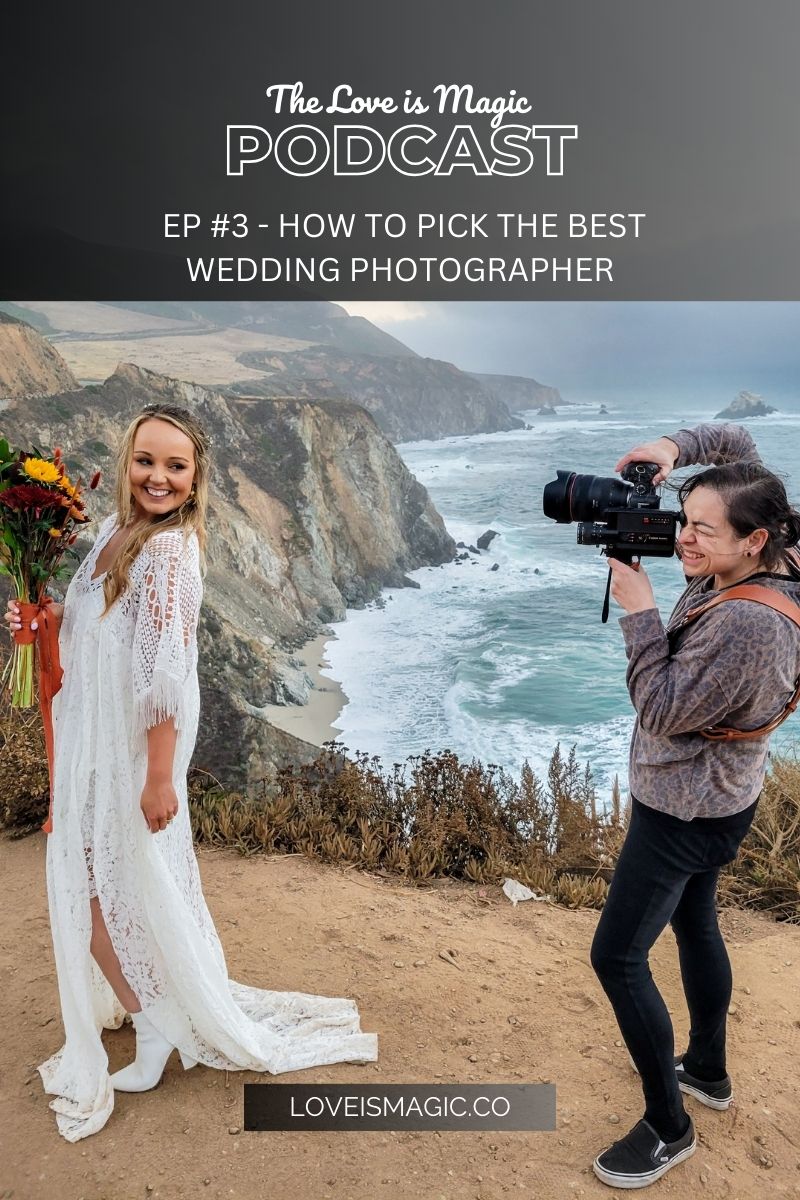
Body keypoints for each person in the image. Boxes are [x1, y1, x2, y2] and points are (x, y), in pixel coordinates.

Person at [5, 404, 377, 1143]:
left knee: (104, 892)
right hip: (95, 741)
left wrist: (161, 778)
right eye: (147, 461)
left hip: (133, 754)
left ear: (196, 476)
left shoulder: (170, 554)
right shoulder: (113, 535)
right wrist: (34, 622)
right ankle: (149, 1006)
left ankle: (154, 1028)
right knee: (100, 886)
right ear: (126, 462)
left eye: (176, 466)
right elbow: (84, 632)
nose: (159, 477)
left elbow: (166, 677)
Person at [588, 422, 800, 1189]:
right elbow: (737, 438)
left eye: (701, 531)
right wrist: (676, 450)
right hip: (723, 796)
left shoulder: (748, 622)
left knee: (615, 957)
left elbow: (663, 709)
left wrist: (640, 610)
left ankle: (667, 1128)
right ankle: (706, 1069)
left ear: (754, 541)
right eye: (683, 521)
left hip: (682, 809)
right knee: (695, 921)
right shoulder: (777, 551)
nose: (681, 538)